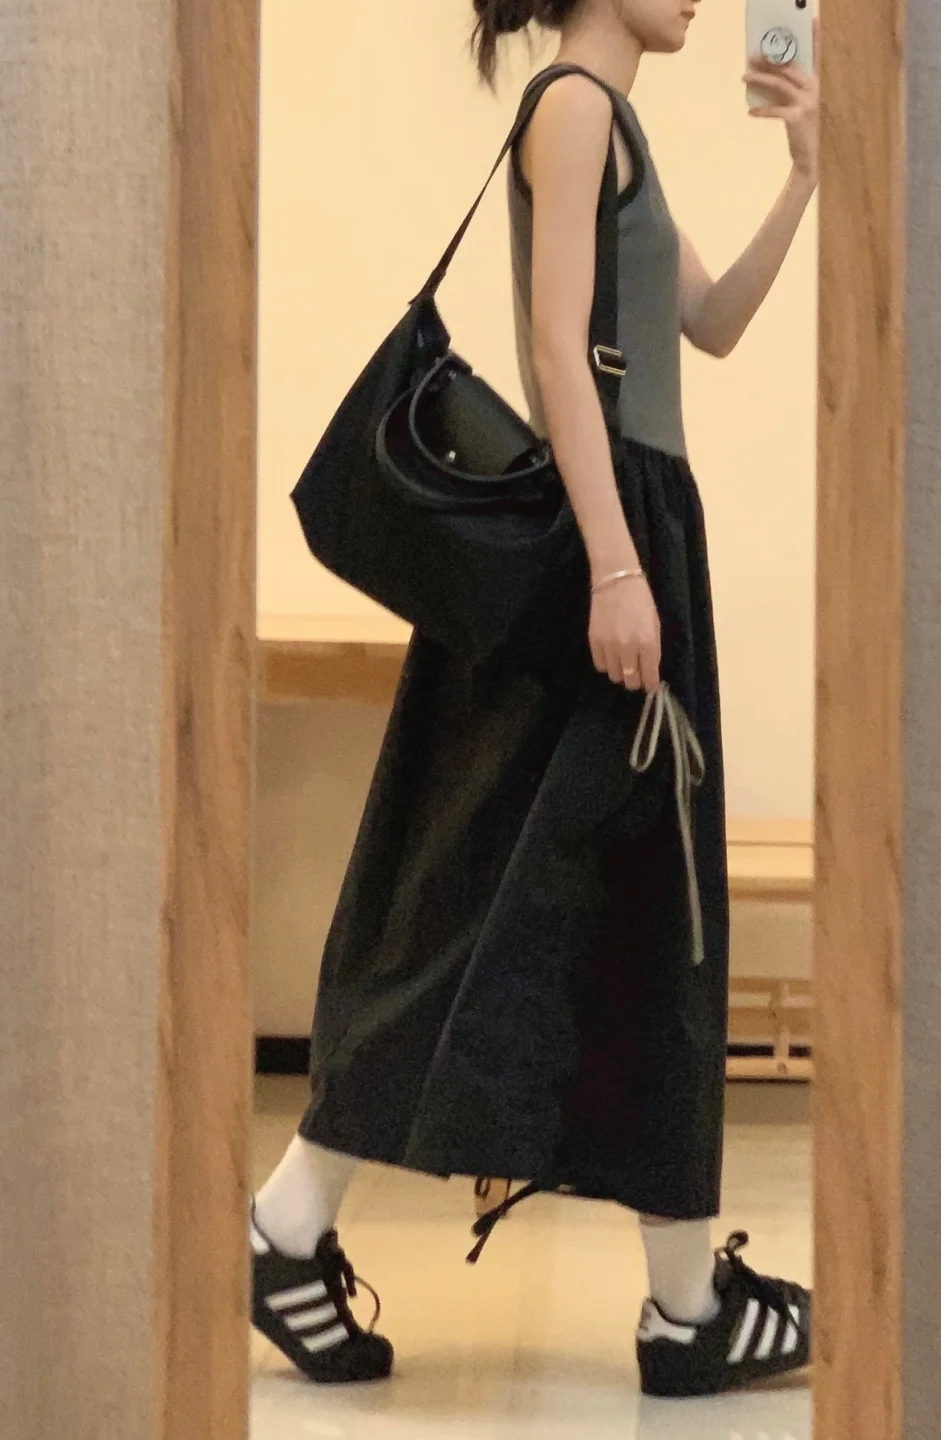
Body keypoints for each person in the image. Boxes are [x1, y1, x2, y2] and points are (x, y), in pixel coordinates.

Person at [250, 0, 819, 1400]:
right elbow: (560, 352)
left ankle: (300, 1227)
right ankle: (677, 1308)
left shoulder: (609, 125)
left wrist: (807, 176)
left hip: (626, 537)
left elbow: (711, 324)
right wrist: (617, 570)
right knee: (582, 906)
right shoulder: (572, 109)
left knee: (586, 907)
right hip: (603, 547)